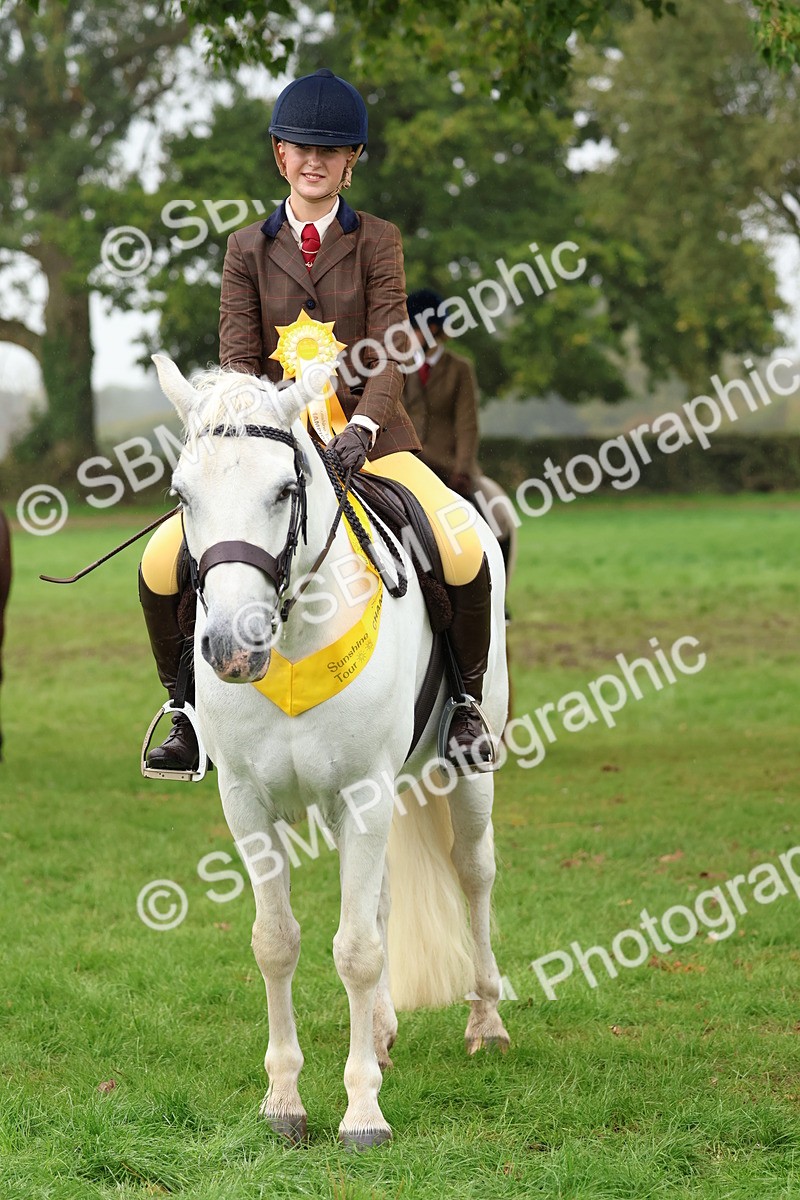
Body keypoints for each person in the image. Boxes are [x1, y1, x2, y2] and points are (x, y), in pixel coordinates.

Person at [138, 68, 495, 775]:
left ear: (351, 161)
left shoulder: (378, 242)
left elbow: (394, 345)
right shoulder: (245, 248)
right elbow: (238, 363)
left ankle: (463, 707)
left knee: (462, 551)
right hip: (274, 450)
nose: (313, 161)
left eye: (329, 152)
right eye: (300, 148)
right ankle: (185, 713)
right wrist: (264, 434)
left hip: (375, 441)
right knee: (158, 565)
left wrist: (362, 429)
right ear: (279, 154)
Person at [403, 288, 480, 499]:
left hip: (447, 467)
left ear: (432, 329)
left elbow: (467, 424)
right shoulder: (399, 366)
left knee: (485, 511)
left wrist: (462, 470)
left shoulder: (459, 369)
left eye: (412, 329)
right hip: (406, 462)